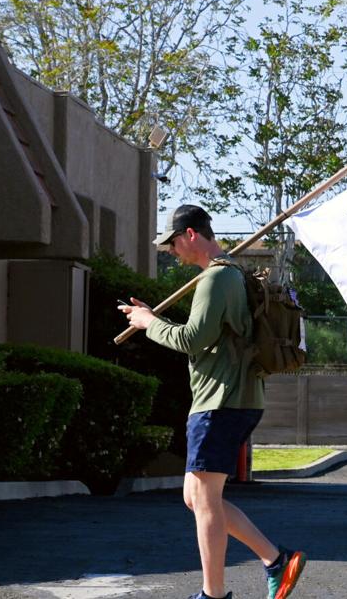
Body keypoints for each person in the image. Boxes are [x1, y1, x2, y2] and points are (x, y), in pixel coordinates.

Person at [121, 204, 306, 599]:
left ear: (190, 234)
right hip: (229, 399)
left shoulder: (217, 279)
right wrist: (151, 316)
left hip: (221, 403)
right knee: (197, 498)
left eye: (172, 243)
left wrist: (148, 324)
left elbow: (190, 339)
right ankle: (277, 559)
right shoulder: (229, 274)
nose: (170, 251)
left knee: (205, 502)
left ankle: (213, 594)